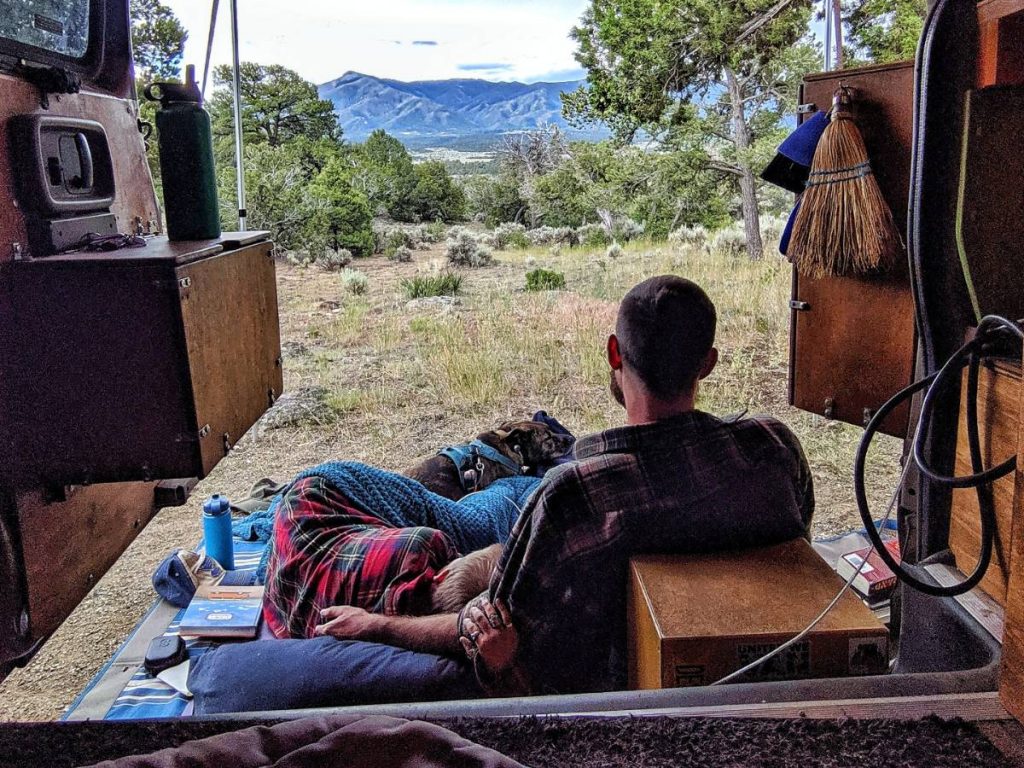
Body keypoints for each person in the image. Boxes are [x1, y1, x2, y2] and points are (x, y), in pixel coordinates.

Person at [315, 275, 814, 696]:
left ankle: (481, 464)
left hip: (527, 526)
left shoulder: (574, 495)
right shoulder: (773, 447)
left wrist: (376, 626)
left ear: (614, 352)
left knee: (325, 486)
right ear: (707, 362)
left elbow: (498, 631)